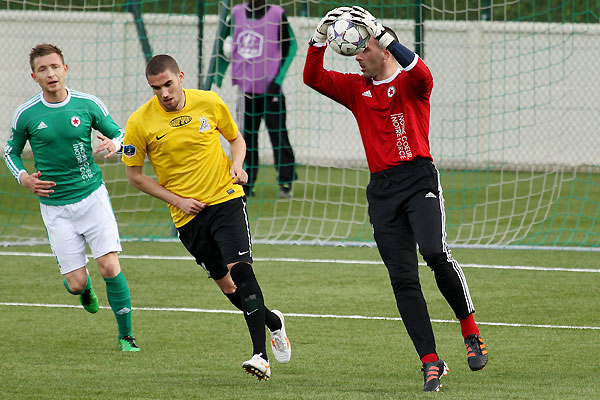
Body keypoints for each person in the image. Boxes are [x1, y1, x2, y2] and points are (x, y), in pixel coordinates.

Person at [303, 7, 488, 392]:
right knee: (403, 279)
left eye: (362, 45)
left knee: (436, 254)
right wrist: (318, 38)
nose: (355, 54)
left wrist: (384, 35)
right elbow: (313, 77)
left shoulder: (410, 84)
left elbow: (424, 74)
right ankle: (430, 361)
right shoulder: (357, 89)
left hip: (418, 177)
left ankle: (470, 332)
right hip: (382, 190)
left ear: (383, 49)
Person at [122, 54, 291, 380]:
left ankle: (260, 356)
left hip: (225, 199)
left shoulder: (209, 102)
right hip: (187, 218)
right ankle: (273, 322)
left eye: (168, 84)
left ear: (180, 76)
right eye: (156, 88)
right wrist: (178, 201)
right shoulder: (140, 122)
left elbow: (236, 139)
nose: (164, 93)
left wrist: (238, 166)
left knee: (241, 271)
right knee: (228, 287)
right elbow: (135, 177)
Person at [3, 43, 139, 352]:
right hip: (55, 207)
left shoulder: (88, 104)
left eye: (54, 67)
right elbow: (10, 152)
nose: (50, 73)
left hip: (92, 197)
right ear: (34, 76)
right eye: (42, 69)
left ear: (65, 69)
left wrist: (116, 145)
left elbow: (121, 134)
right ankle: (85, 288)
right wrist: (23, 177)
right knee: (76, 284)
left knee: (109, 266)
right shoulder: (26, 114)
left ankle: (126, 336)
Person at [216, 0, 297, 199]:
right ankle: (247, 183)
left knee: (278, 137)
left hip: (271, 92)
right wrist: (218, 73)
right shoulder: (235, 14)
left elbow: (292, 45)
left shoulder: (277, 14)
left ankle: (285, 182)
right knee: (246, 139)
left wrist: (278, 80)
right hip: (246, 92)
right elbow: (222, 42)